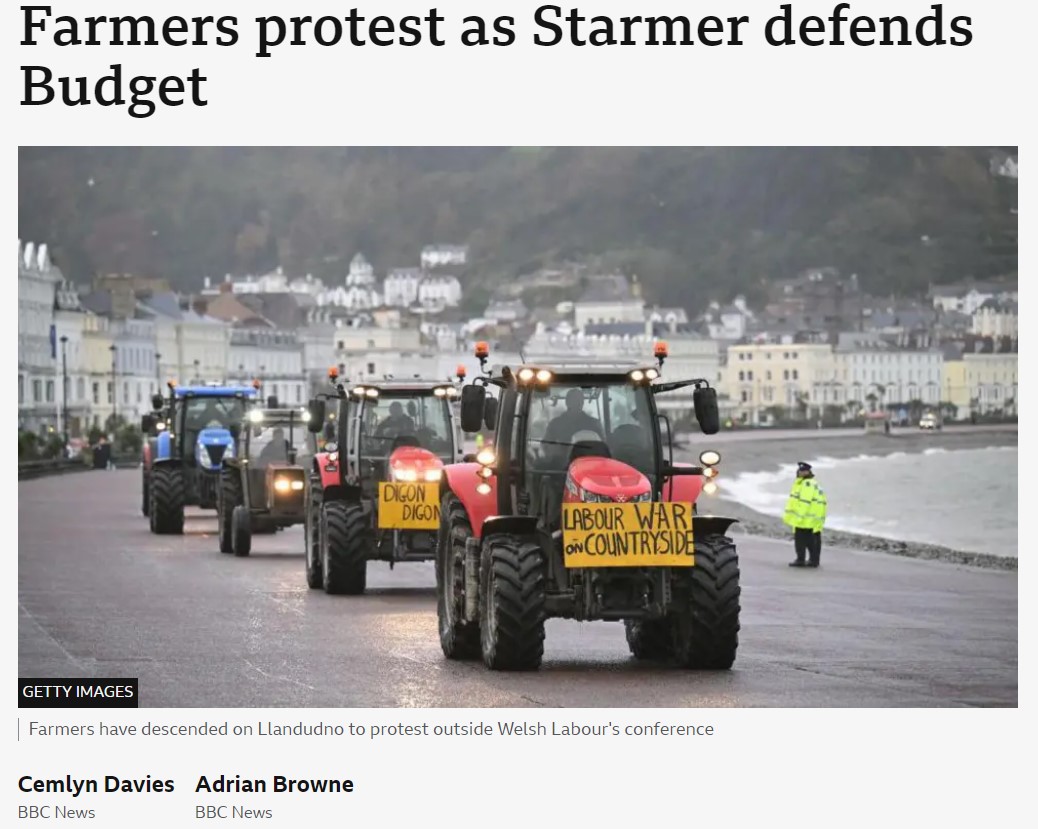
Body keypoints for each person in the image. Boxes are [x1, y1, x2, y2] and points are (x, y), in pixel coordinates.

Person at [783, 461, 827, 568]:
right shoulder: (812, 483)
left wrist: (798, 517)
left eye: (803, 471)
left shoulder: (806, 484)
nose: (801, 473)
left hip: (805, 518)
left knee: (801, 540)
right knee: (812, 539)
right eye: (800, 471)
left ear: (807, 472)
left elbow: (804, 502)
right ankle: (814, 560)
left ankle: (801, 559)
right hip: (813, 517)